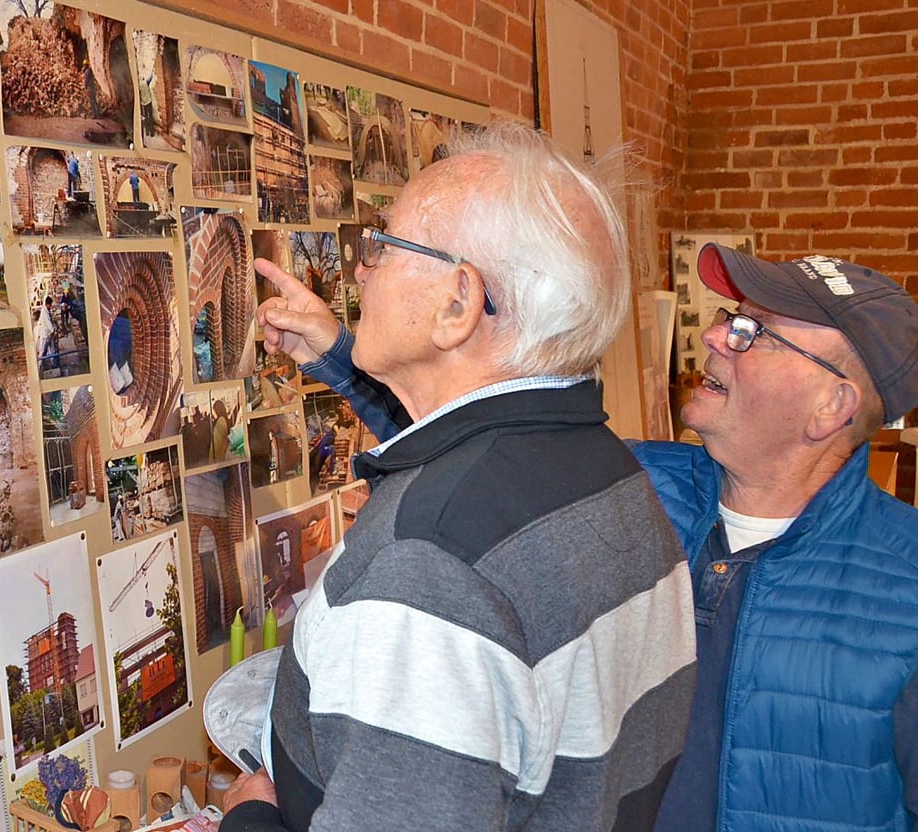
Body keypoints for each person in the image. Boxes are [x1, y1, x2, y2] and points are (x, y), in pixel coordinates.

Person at [262, 237, 918, 830]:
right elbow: (469, 455)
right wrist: (340, 358)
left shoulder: (904, 592)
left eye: (754, 332)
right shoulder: (623, 484)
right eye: (729, 318)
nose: (717, 338)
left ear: (832, 406)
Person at [220, 122, 696, 832]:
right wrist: (337, 355)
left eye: (383, 246)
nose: (360, 268)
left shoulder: (428, 570)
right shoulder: (607, 472)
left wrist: (250, 820)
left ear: (458, 303)